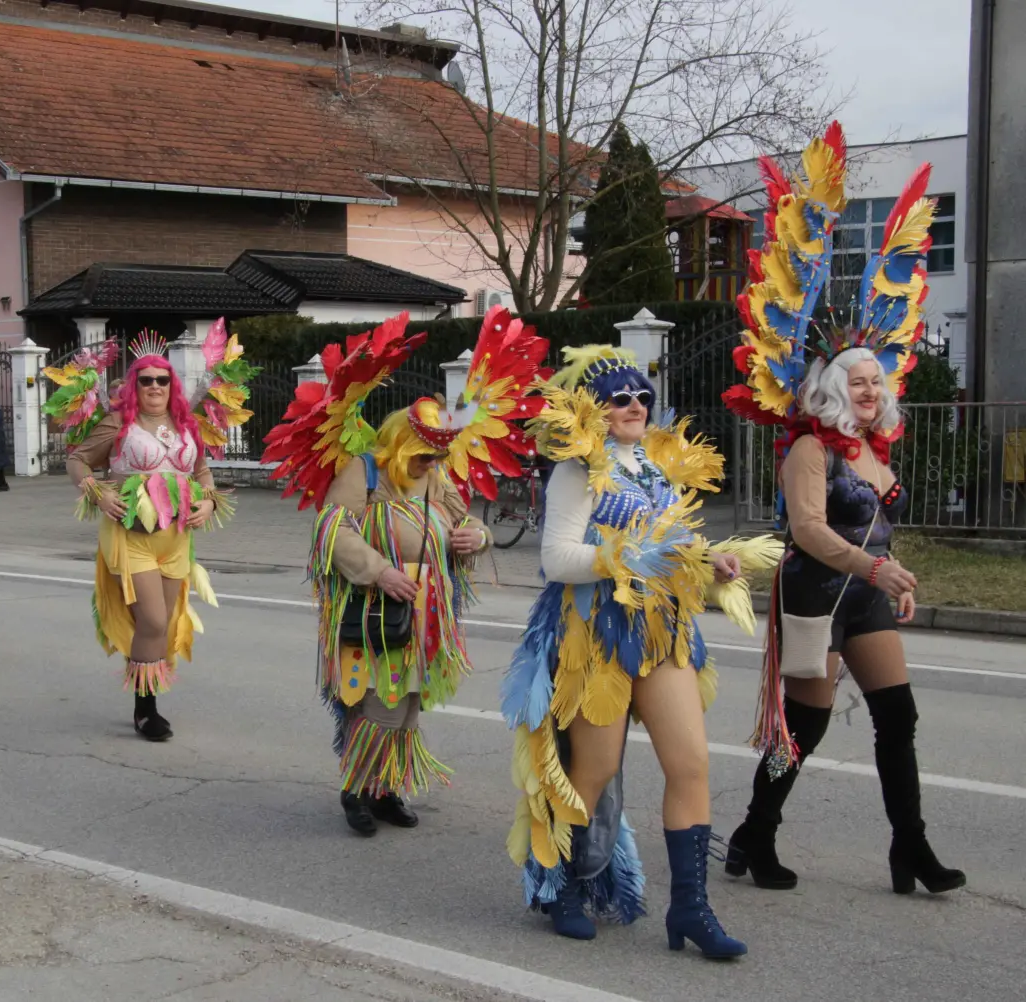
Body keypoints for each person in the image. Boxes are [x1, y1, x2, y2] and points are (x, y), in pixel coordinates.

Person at [722, 122, 965, 897]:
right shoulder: (808, 447)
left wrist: (895, 578)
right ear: (831, 386)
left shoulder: (871, 449)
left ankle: (911, 851)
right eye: (853, 381)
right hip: (816, 592)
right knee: (808, 726)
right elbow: (808, 530)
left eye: (874, 382)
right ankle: (756, 834)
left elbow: (877, 528)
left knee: (899, 718)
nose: (866, 391)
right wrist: (874, 566)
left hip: (863, 594)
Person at [502, 345, 777, 959]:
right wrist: (625, 557)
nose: (634, 406)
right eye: (620, 398)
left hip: (662, 632)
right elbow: (555, 560)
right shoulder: (578, 469)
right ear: (594, 410)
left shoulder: (657, 468)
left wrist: (712, 564)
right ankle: (565, 886)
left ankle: (690, 908)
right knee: (592, 773)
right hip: (595, 635)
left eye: (642, 397)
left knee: (693, 764)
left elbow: (676, 547)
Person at [262, 309, 549, 836]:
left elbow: (467, 523)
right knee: (377, 702)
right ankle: (356, 789)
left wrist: (476, 539)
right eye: (421, 457)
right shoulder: (364, 471)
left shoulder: (434, 478)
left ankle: (387, 788)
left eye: (436, 458)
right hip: (374, 607)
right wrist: (378, 571)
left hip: (423, 613)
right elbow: (331, 532)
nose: (430, 466)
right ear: (399, 445)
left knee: (409, 701)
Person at [65, 332, 231, 741]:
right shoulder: (119, 423)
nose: (155, 386)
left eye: (162, 380)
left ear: (172, 385)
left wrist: (209, 502)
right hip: (131, 536)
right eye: (146, 380)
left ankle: (149, 696)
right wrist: (98, 494)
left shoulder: (186, 425)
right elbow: (77, 460)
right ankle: (145, 708)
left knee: (165, 623)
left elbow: (201, 472)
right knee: (152, 619)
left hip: (176, 539)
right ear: (134, 385)